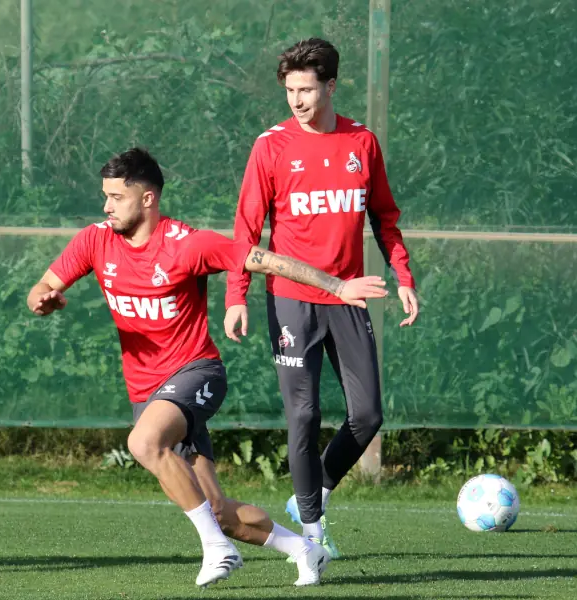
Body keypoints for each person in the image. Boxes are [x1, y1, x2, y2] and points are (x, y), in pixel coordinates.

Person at [27, 147, 389, 588]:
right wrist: (43, 300)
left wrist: (337, 285)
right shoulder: (94, 240)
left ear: (147, 199)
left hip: (197, 373)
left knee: (144, 442)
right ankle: (304, 549)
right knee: (218, 511)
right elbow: (43, 285)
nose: (106, 206)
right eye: (105, 196)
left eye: (116, 197)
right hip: (148, 391)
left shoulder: (187, 245)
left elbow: (264, 259)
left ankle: (217, 550)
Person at [223, 38, 420, 559]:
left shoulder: (362, 143)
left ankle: (312, 493)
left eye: (307, 89)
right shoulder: (270, 146)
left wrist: (404, 276)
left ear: (331, 85)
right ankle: (312, 535)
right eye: (290, 90)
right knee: (304, 416)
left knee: (368, 415)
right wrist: (235, 295)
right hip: (290, 300)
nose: (297, 100)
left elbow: (385, 219)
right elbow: (246, 229)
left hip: (349, 297)